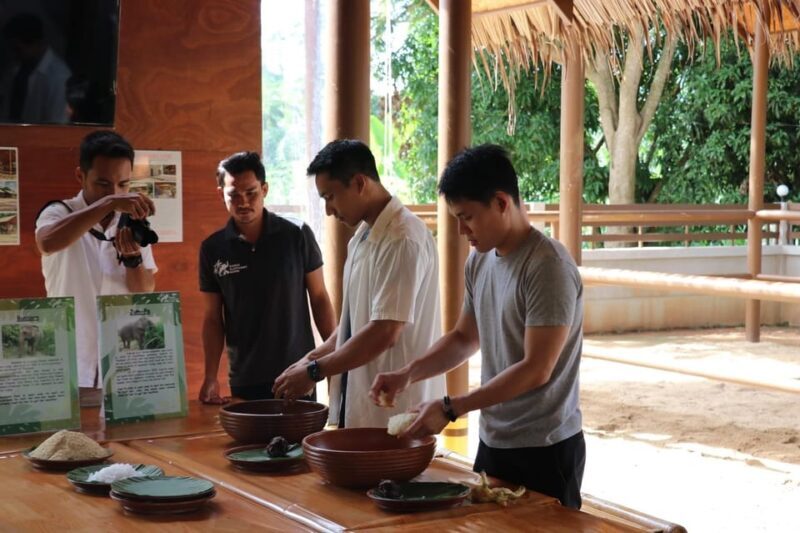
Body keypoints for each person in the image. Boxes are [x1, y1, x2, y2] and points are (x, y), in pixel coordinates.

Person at [370, 144, 585, 509]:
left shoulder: (547, 266)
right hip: (495, 440)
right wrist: (409, 373)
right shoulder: (480, 260)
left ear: (502, 202)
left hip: (546, 446)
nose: (460, 230)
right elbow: (464, 338)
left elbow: (537, 368)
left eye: (466, 216)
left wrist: (453, 407)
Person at [273, 139, 444, 428]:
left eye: (330, 196)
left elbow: (385, 331)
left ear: (359, 183)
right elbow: (355, 323)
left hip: (394, 409)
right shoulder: (363, 238)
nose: (328, 210)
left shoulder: (402, 238)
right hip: (361, 403)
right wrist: (310, 359)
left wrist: (315, 371)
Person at [198, 151, 337, 403]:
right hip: (245, 377)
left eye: (251, 192)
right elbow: (212, 320)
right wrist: (210, 377)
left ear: (264, 189)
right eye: (234, 195)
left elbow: (319, 298)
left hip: (298, 372)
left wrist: (336, 358)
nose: (243, 202)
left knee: (298, 441)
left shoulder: (297, 234)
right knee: (251, 443)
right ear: (221, 194)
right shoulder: (212, 248)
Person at [35, 130, 157, 406]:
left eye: (123, 184)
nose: (114, 192)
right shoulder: (59, 212)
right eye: (103, 184)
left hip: (122, 362)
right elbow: (47, 242)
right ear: (81, 176)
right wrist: (109, 204)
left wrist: (133, 260)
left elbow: (144, 290)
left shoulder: (132, 221)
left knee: (126, 447)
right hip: (68, 362)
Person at [1, 13, 71, 124]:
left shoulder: (59, 78)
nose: (14, 55)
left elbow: (57, 124)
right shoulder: (13, 70)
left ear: (36, 43)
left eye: (18, 49)